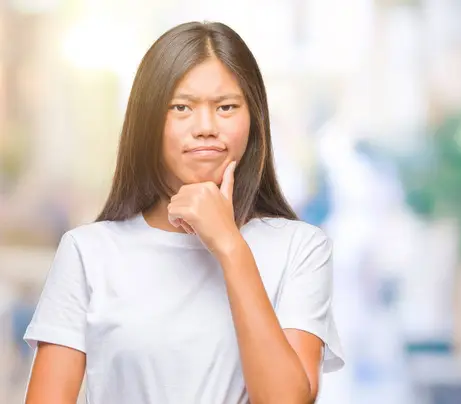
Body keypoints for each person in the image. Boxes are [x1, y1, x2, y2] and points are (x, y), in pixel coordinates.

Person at [23, 21, 344, 404]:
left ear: (253, 120)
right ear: (148, 121)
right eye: (181, 107)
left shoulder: (301, 249)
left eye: (226, 107)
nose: (206, 127)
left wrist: (229, 245)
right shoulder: (88, 252)